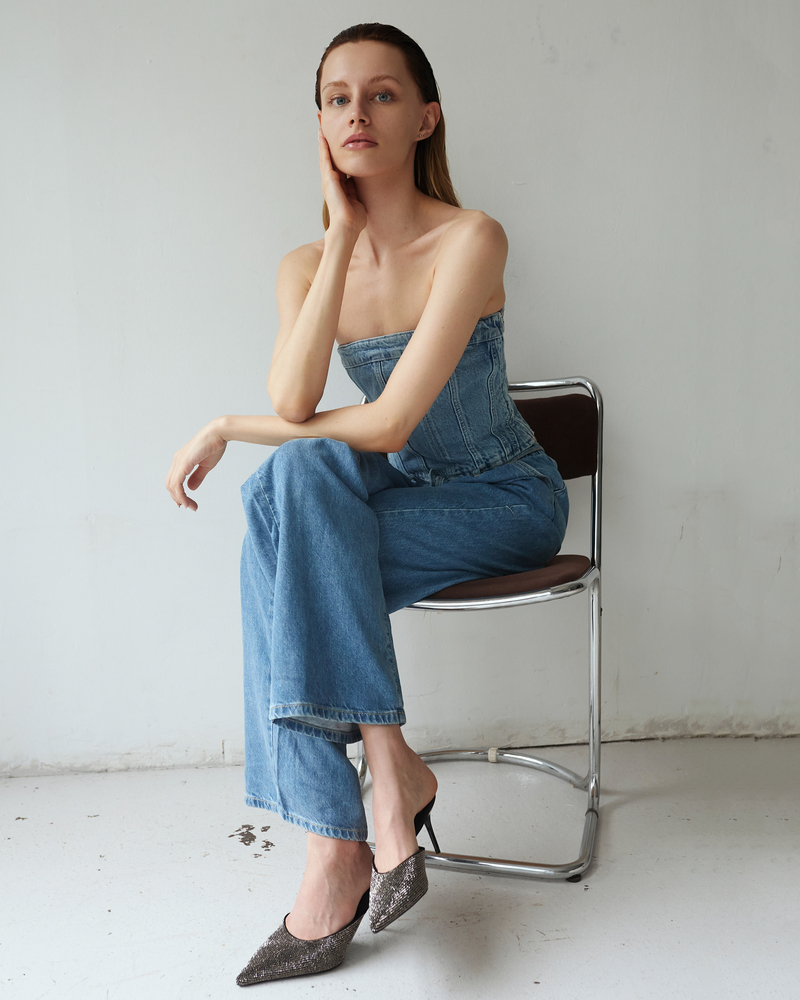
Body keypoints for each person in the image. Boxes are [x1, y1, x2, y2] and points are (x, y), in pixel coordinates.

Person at [166, 22, 568, 986]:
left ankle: (338, 842)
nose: (358, 113)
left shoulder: (470, 238)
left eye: (382, 94)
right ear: (319, 124)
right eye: (338, 98)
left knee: (279, 538)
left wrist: (226, 424)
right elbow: (299, 402)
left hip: (500, 497)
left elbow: (387, 425)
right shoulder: (307, 267)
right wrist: (342, 235)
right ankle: (378, 793)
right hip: (392, 498)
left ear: (426, 117)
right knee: (296, 482)